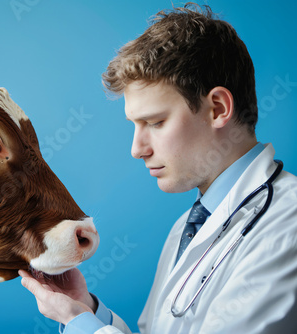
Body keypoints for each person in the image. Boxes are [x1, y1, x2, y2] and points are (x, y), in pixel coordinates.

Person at [19, 3, 297, 334]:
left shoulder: (287, 226)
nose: (137, 149)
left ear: (218, 108)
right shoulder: (189, 227)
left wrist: (79, 325)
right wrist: (87, 310)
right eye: (135, 125)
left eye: (155, 122)